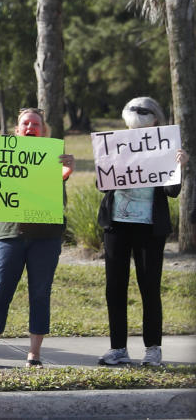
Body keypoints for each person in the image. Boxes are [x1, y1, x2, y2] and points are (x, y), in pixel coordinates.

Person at [0, 108, 76, 369]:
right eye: (25, 123)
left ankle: (34, 355)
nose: (30, 127)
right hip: (10, 235)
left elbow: (54, 194)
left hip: (46, 237)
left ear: (43, 130)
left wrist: (67, 171)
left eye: (35, 124)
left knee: (40, 294)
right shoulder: (2, 154)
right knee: (0, 293)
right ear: (17, 130)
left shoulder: (54, 157)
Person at [97, 97, 189, 367]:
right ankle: (118, 348)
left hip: (150, 228)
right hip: (116, 226)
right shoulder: (117, 145)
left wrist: (179, 167)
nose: (135, 133)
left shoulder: (165, 147)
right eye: (131, 127)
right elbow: (103, 185)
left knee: (149, 287)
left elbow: (172, 192)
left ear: (156, 122)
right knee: (115, 288)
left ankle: (153, 348)